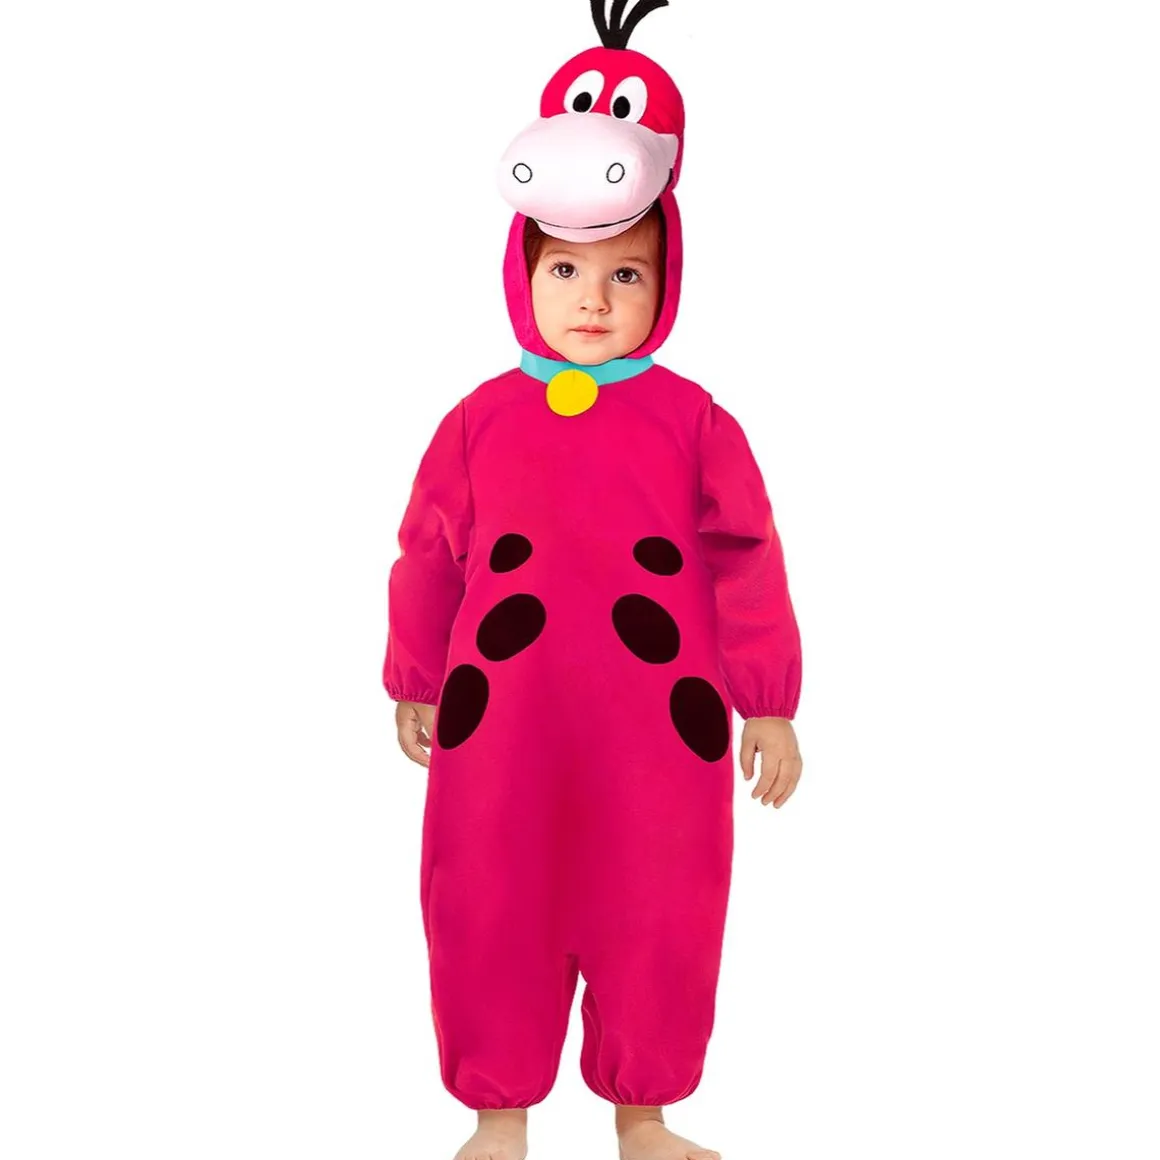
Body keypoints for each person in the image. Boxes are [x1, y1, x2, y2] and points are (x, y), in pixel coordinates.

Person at [383, 5, 802, 1159]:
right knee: (484, 888)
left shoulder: (694, 420)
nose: (592, 298)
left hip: (656, 728)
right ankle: (497, 1113)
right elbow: (426, 552)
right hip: (501, 721)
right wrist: (413, 675)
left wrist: (766, 701)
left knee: (659, 896)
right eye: (564, 268)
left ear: (665, 282)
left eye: (625, 273)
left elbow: (747, 555)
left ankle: (644, 1111)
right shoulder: (477, 419)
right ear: (524, 273)